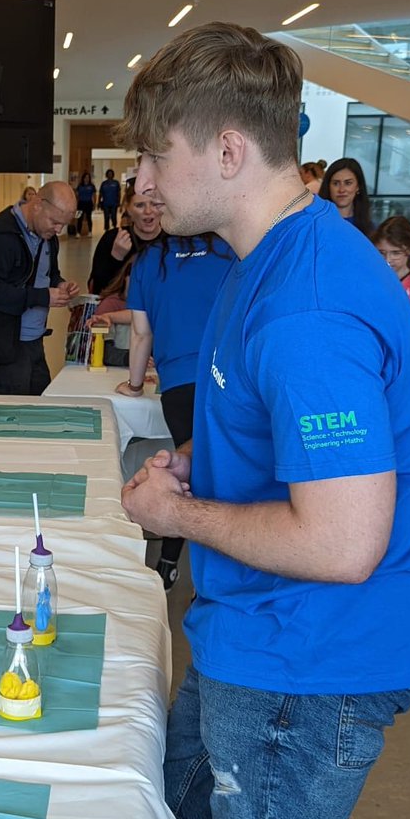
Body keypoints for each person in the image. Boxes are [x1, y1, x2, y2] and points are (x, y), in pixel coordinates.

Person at [115, 22, 410, 819]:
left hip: (305, 659)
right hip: (250, 632)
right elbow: (285, 437)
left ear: (228, 152)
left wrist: (176, 515)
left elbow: (344, 542)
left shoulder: (306, 307)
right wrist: (210, 463)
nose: (142, 178)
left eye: (159, 156)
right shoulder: (261, 261)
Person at [117, 233, 234, 589]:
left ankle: (170, 563)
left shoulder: (150, 259)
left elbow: (141, 334)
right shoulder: (230, 250)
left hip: (180, 385)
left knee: (190, 475)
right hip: (230, 378)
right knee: (226, 477)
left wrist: (135, 385)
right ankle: (217, 580)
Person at [0, 181, 81, 395]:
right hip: (6, 346)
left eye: (63, 225)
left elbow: (48, 273)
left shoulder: (47, 235)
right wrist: (42, 297)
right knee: (11, 417)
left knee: (40, 408)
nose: (58, 230)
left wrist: (60, 284)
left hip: (35, 341)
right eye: (54, 222)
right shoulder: (1, 236)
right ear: (37, 204)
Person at [88, 186, 164, 296]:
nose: (148, 211)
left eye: (154, 204)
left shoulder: (175, 241)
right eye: (140, 205)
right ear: (128, 209)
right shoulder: (112, 238)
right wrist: (116, 258)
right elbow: (97, 289)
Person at [374, 216, 410, 332]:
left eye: (396, 253)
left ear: (409, 250)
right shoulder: (373, 279)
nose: (388, 260)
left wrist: (397, 291)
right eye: (381, 253)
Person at [319, 157, 374, 237]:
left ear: (358, 186)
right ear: (328, 187)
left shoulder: (370, 229)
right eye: (336, 183)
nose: (342, 190)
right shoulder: (316, 225)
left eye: (348, 183)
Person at [75, 172, 97, 238]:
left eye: (88, 177)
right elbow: (77, 195)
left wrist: (94, 204)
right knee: (79, 218)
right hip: (81, 203)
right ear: (83, 178)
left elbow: (94, 195)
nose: (86, 179)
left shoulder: (92, 186)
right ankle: (78, 232)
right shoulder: (80, 186)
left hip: (88, 203)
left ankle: (90, 232)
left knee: (89, 218)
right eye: (85, 177)